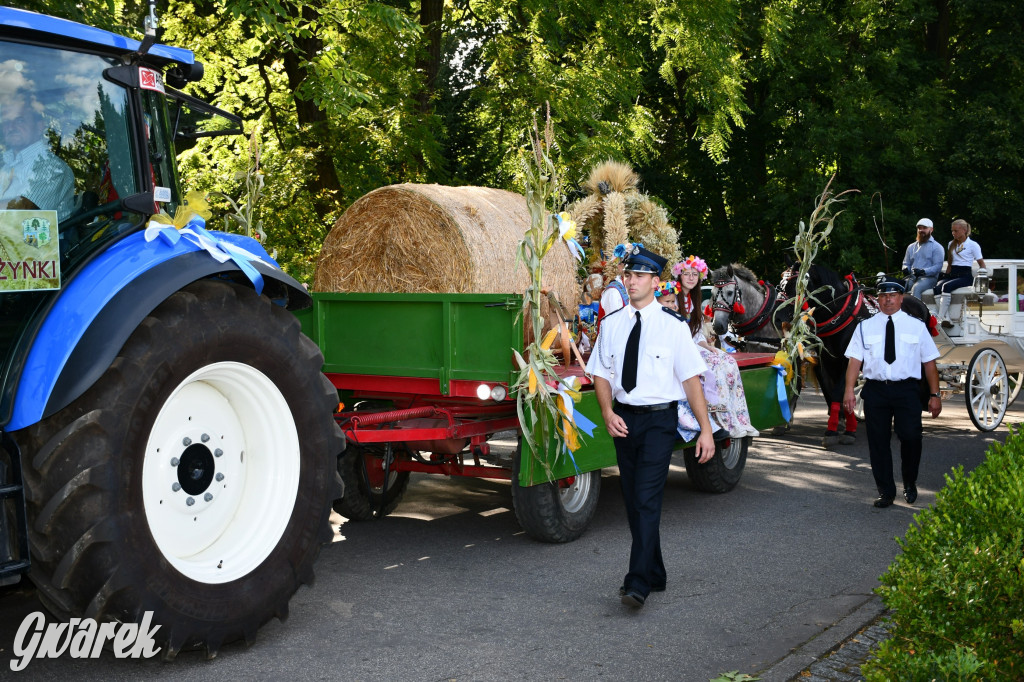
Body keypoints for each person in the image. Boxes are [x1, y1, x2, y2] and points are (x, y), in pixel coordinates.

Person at [586, 245, 714, 609]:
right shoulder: (611, 325)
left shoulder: (672, 327)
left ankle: (637, 583)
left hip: (660, 420)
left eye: (639, 276)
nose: (631, 281)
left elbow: (691, 380)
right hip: (625, 419)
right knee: (633, 502)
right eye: (628, 275)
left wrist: (705, 429)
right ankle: (655, 571)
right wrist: (608, 412)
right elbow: (600, 373)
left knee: (645, 498)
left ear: (655, 282)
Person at [843, 277, 941, 508]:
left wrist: (935, 395)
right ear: (878, 299)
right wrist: (849, 390)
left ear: (901, 298)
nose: (888, 300)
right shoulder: (865, 327)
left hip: (907, 390)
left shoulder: (916, 326)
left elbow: (929, 363)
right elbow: (855, 361)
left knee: (911, 437)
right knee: (878, 442)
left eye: (893, 295)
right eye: (883, 296)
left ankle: (909, 481)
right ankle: (886, 491)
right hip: (876, 390)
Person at [673, 256, 759, 440]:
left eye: (694, 274)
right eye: (686, 274)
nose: (690, 278)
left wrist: (708, 346)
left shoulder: (693, 299)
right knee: (715, 368)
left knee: (727, 361)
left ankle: (740, 419)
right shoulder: (674, 297)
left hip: (692, 345)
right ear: (679, 276)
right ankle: (722, 420)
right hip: (678, 347)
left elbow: (695, 333)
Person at [0, 95, 75, 220]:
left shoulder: (53, 168)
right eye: (7, 121)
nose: (11, 127)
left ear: (39, 126)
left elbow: (21, 210)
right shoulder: (5, 163)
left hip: (31, 239)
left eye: (19, 120)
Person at [933, 218, 985, 327]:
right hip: (953, 273)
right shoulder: (951, 244)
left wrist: (983, 274)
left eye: (956, 231)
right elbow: (950, 264)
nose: (953, 233)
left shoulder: (973, 245)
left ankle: (940, 317)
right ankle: (947, 318)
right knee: (937, 288)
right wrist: (946, 275)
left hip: (965, 275)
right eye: (952, 231)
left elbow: (981, 263)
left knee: (946, 286)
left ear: (964, 230)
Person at [901, 218, 944, 298]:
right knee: (899, 287)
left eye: (924, 228)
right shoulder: (911, 247)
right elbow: (906, 263)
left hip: (929, 278)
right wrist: (905, 268)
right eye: (919, 228)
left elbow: (938, 267)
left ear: (931, 230)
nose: (921, 230)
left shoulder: (937, 247)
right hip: (912, 277)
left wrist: (923, 271)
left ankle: (916, 310)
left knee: (916, 288)